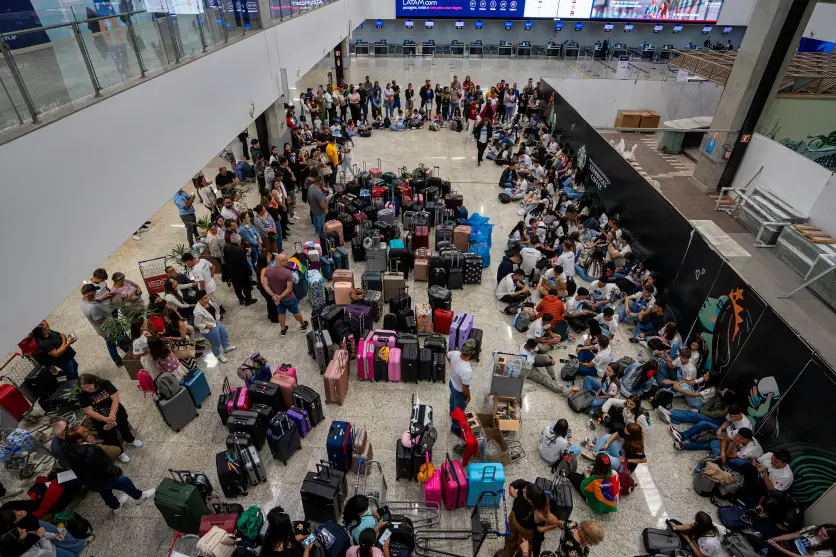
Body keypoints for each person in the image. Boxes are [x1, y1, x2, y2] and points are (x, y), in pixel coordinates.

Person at [61, 428, 154, 514]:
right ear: (79, 440)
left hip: (89, 479)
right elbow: (104, 466)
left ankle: (115, 506)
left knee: (104, 490)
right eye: (84, 432)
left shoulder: (68, 448)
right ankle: (139, 497)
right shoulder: (90, 451)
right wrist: (116, 470)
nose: (87, 430)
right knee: (125, 481)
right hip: (100, 477)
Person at [78, 373, 142, 461]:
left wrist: (111, 416)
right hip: (100, 418)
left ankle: (130, 439)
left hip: (116, 412)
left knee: (124, 427)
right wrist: (106, 419)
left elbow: (115, 399)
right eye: (84, 388)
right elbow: (89, 411)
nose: (87, 389)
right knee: (110, 436)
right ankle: (120, 452)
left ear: (94, 382)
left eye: (88, 386)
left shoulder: (105, 384)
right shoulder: (82, 395)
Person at [505, 480, 561, 556]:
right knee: (509, 540)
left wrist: (541, 529)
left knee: (521, 549)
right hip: (513, 520)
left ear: (531, 501)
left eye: (524, 492)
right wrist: (512, 487)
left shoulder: (540, 513)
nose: (522, 490)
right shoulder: (529, 487)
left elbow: (557, 522)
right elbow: (521, 482)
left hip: (525, 531)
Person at [673, 403, 752, 452]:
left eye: (733, 417)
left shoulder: (745, 426)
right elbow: (727, 421)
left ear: (739, 414)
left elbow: (738, 442)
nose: (731, 418)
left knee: (712, 442)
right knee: (704, 423)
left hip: (730, 440)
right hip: (725, 431)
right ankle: (683, 435)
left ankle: (685, 446)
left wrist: (721, 438)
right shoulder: (732, 415)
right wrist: (720, 429)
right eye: (730, 416)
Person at [263, 254, 309, 336]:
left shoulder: (268, 270)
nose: (288, 261)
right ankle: (303, 325)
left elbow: (265, 285)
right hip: (289, 298)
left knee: (281, 313)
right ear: (281, 262)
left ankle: (283, 330)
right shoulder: (287, 272)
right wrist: (280, 296)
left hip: (277, 299)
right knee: (296, 312)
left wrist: (273, 295)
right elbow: (289, 289)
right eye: (286, 260)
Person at [79, 283, 123, 367]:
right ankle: (118, 361)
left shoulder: (83, 301)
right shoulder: (93, 308)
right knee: (111, 344)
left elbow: (92, 301)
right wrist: (114, 327)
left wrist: (101, 299)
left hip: (101, 328)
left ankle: (117, 359)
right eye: (94, 291)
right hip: (107, 329)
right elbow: (102, 322)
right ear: (90, 293)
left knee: (110, 343)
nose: (96, 292)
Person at [193, 290, 236, 362]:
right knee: (216, 343)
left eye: (207, 297)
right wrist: (207, 326)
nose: (208, 299)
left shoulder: (207, 301)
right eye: (205, 298)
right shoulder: (198, 311)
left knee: (224, 335)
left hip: (216, 322)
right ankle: (218, 355)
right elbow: (196, 324)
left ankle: (226, 347)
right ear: (200, 299)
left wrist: (218, 318)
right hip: (210, 329)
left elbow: (215, 310)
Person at [447, 340, 475, 436]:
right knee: (459, 410)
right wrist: (468, 397)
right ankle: (455, 427)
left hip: (452, 383)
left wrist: (452, 366)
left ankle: (451, 412)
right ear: (472, 353)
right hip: (460, 392)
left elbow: (447, 355)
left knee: (452, 400)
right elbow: (465, 388)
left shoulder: (455, 353)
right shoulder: (466, 370)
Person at [763, 524, 835, 557]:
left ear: (830, 540)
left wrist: (779, 548)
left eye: (824, 535)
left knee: (770, 550)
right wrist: (775, 539)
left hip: (797, 554)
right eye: (821, 530)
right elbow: (793, 535)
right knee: (768, 542)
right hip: (790, 543)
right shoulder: (813, 529)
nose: (819, 534)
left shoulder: (827, 552)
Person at [224, 233, 256, 306]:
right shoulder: (239, 249)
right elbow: (244, 263)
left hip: (232, 272)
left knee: (237, 287)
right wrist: (249, 272)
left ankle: (241, 299)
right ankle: (248, 300)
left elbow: (228, 258)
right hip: (242, 272)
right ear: (238, 240)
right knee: (246, 286)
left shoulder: (226, 247)